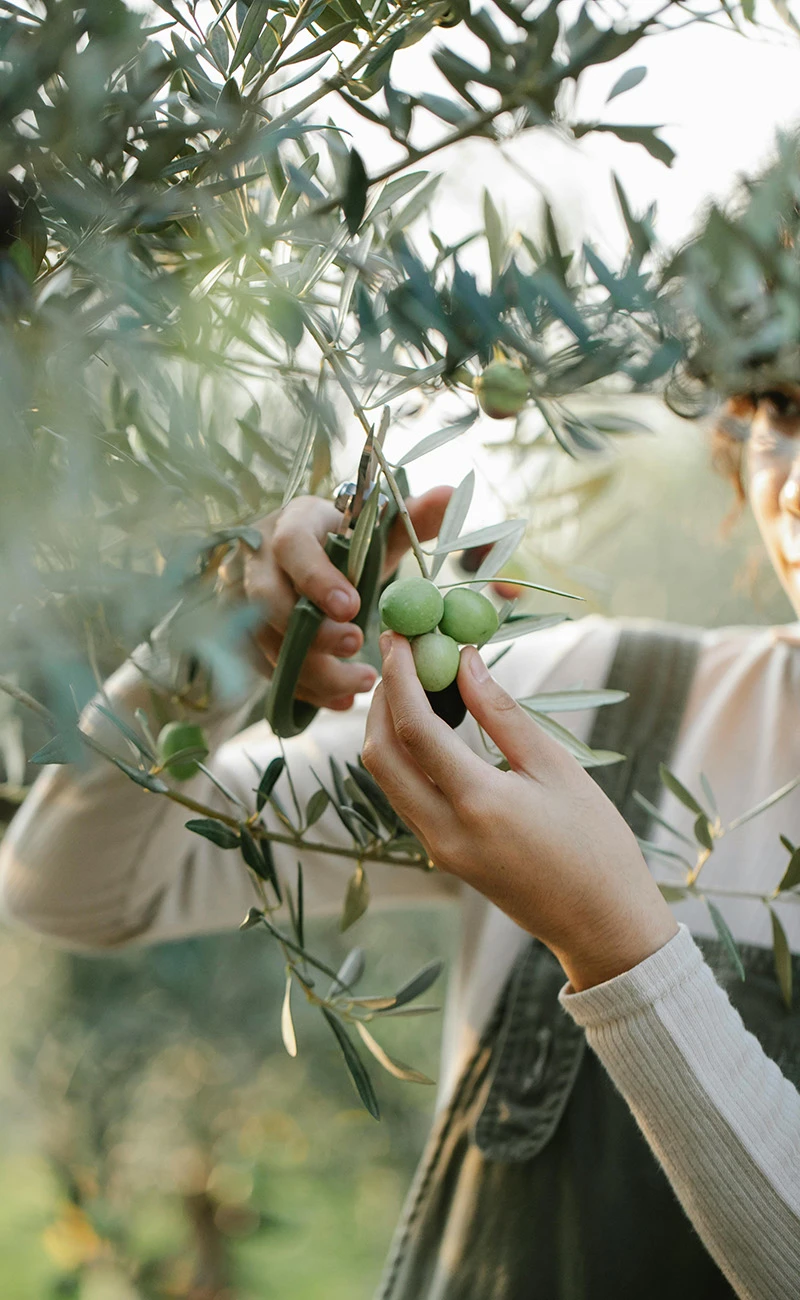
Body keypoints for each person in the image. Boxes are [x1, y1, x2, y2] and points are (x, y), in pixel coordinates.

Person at [1, 390, 800, 1298]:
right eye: (784, 408)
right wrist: (223, 647)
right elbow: (68, 888)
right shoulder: (577, 705)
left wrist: (614, 943)